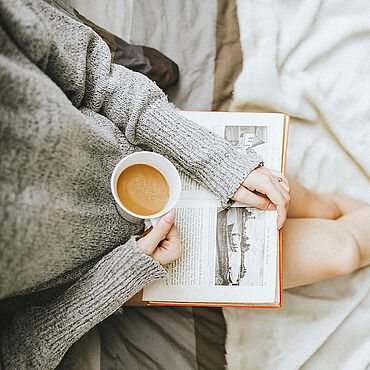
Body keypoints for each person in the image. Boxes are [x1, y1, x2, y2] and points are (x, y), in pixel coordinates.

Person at [0, 1, 369, 369]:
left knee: (315, 205)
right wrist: (118, 279)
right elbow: (17, 357)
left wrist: (220, 162)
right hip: (114, 267)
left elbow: (92, 72)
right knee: (342, 251)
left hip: (157, 154)